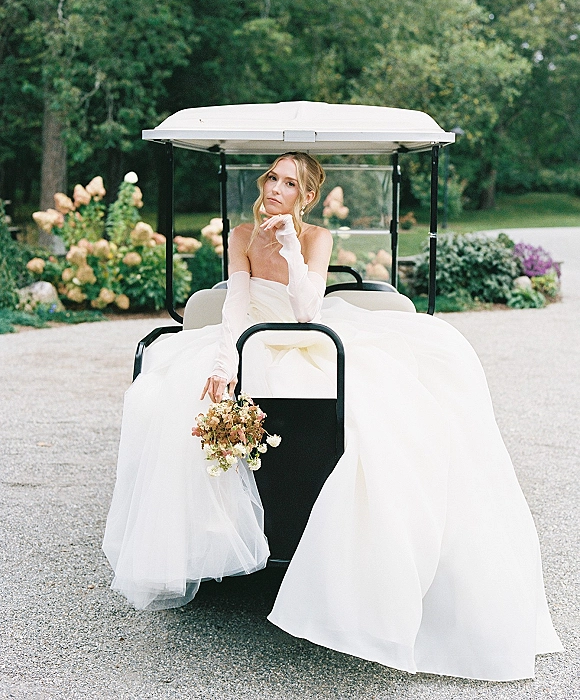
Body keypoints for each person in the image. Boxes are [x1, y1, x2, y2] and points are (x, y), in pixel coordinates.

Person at [103, 152, 562, 682]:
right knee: (163, 392)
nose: (275, 187)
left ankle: (350, 537)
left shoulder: (317, 238)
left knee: (387, 400)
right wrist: (227, 360)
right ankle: (215, 527)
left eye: (289, 183)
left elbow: (306, 312)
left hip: (304, 332)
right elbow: (236, 304)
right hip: (249, 334)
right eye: (272, 177)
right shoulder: (243, 234)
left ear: (305, 195)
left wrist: (292, 248)